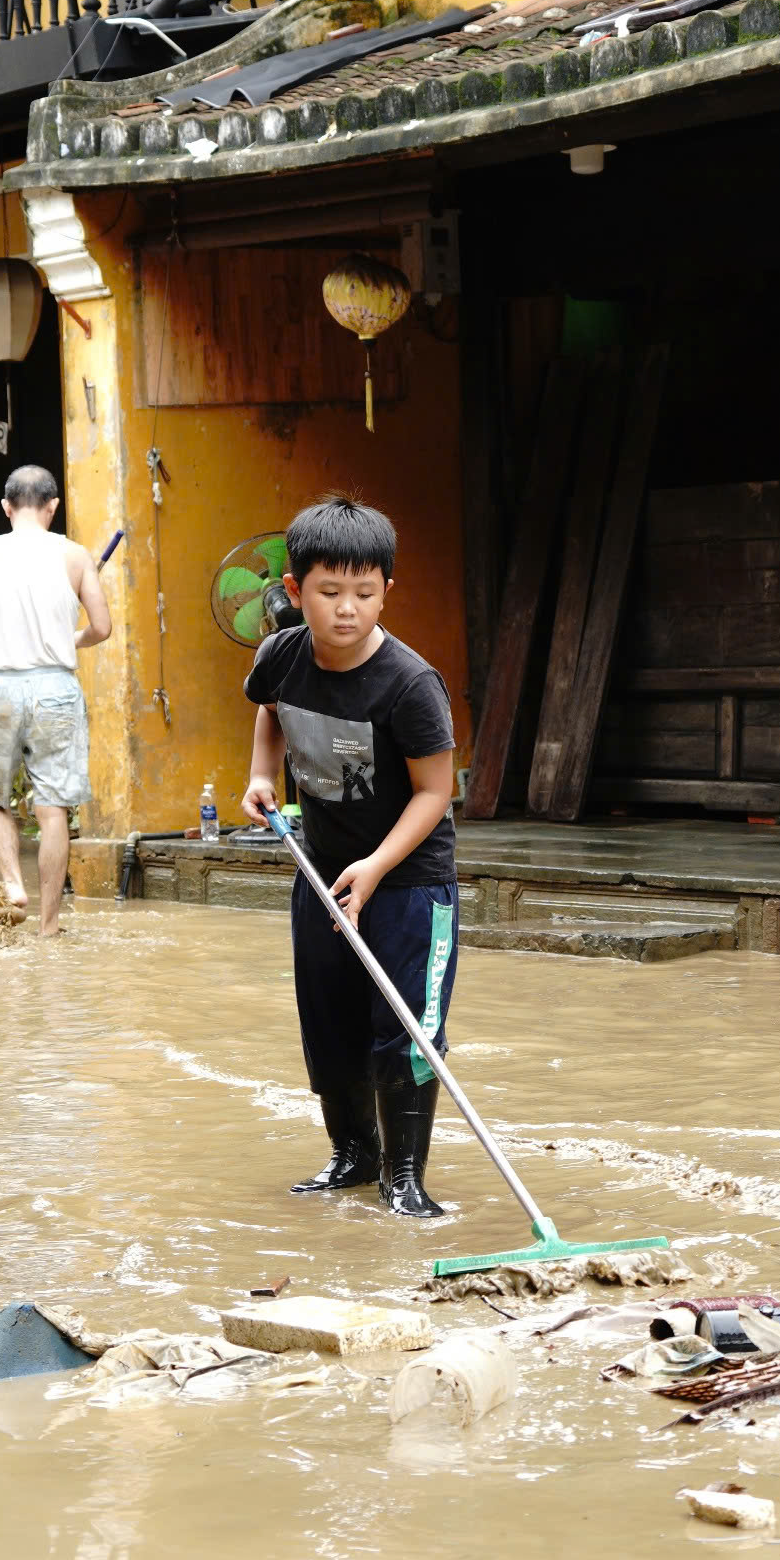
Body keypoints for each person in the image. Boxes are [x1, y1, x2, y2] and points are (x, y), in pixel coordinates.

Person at [241, 499, 459, 1217]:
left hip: (406, 881)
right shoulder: (280, 655)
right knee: (328, 1018)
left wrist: (376, 867)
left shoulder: (409, 684)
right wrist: (261, 777)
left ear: (386, 591)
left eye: (364, 594)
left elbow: (435, 792)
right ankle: (352, 1156)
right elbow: (269, 711)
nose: (346, 610)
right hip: (323, 870)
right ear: (296, 589)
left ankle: (404, 1174)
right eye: (329, 592)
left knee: (406, 1029)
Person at [0, 466, 112, 935]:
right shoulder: (75, 555)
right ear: (53, 507)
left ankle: (13, 886)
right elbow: (102, 629)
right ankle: (48, 927)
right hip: (55, 689)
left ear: (7, 507)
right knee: (52, 810)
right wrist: (72, 638)